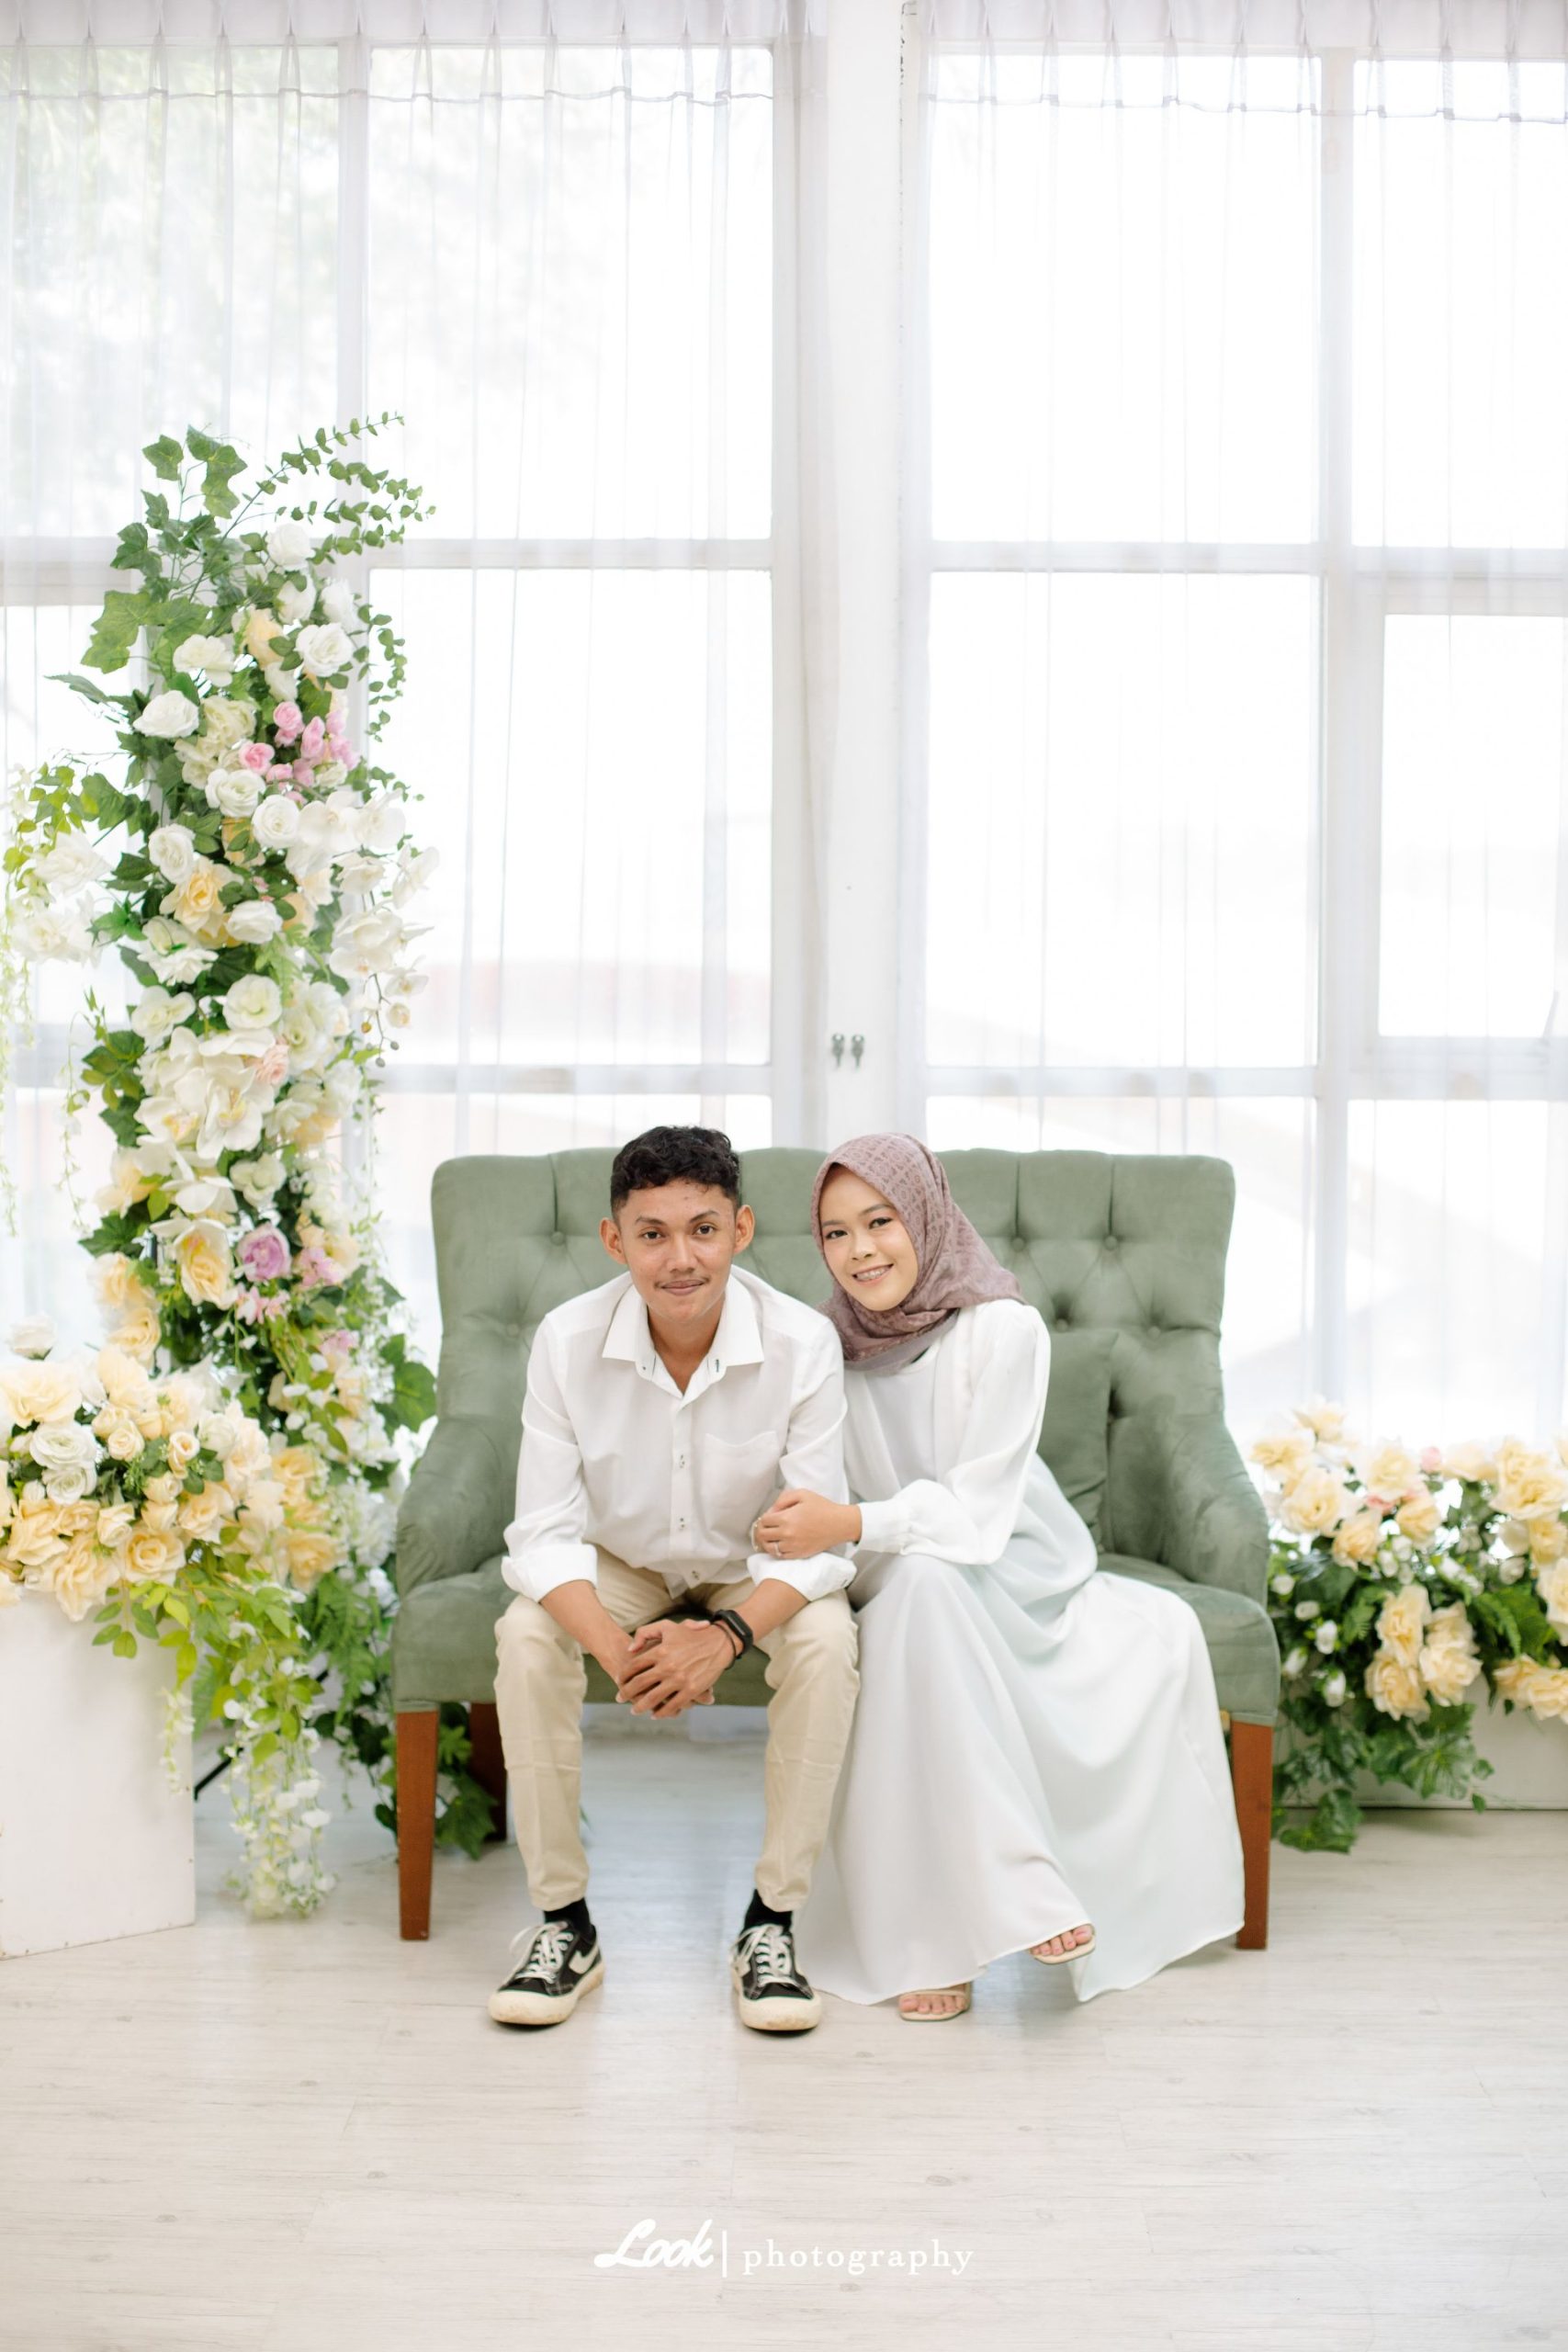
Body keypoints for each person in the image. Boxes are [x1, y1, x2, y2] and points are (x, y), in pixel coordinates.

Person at [761, 1133, 1246, 2021]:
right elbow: (817, 1492)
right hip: (881, 1566)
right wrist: (815, 1528)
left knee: (928, 1587)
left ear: (927, 1217)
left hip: (1011, 1568)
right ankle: (1020, 1891)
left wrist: (850, 1522)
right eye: (835, 1233)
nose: (860, 1250)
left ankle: (939, 1942)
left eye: (881, 1221)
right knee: (915, 1587)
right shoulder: (822, 1347)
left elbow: (975, 1514)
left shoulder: (1002, 1327)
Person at [490, 1125, 860, 2034]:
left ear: (741, 1229)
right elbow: (542, 1534)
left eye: (702, 1230)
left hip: (751, 1566)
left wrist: (723, 1639)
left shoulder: (804, 1341)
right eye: (651, 1234)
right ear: (614, 1241)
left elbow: (819, 1543)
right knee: (526, 1634)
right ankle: (564, 1923)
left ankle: (771, 1922)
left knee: (826, 1636)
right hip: (623, 1562)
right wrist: (624, 1656)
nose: (680, 1259)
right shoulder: (566, 1340)